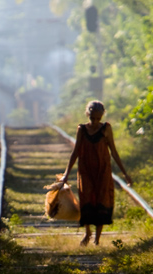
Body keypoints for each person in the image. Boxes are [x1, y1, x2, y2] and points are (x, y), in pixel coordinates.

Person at [56, 100, 132, 246]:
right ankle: (87, 233)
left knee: (101, 201)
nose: (95, 121)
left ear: (102, 116)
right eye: (92, 118)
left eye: (98, 118)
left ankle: (97, 238)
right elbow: (75, 152)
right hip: (85, 172)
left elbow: (114, 152)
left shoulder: (106, 129)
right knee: (86, 200)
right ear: (88, 115)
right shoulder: (82, 130)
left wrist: (125, 173)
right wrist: (66, 173)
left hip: (102, 171)